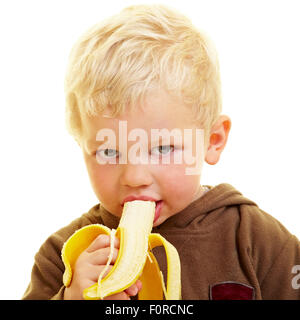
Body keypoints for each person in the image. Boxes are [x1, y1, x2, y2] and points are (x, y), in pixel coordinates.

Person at [22, 4, 300, 300]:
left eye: (162, 148)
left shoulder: (257, 240)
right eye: (108, 152)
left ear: (212, 140)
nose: (134, 176)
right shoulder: (65, 257)